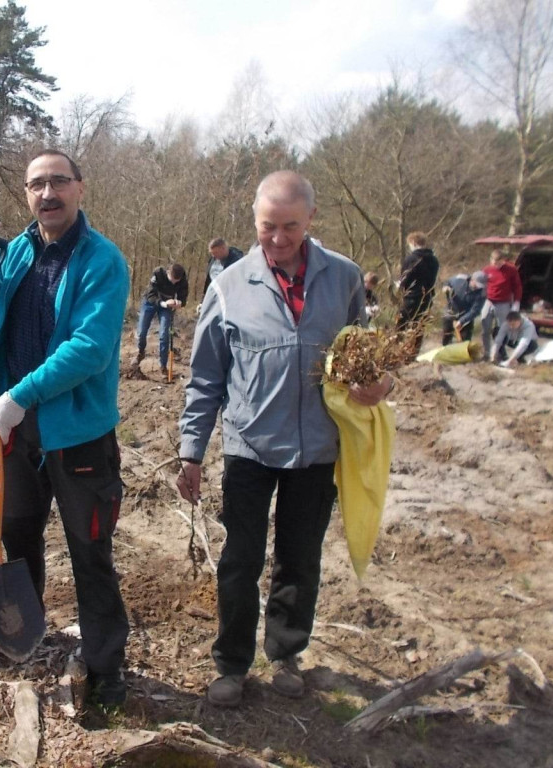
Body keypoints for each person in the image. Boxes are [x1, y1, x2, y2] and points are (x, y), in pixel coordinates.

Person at [176, 171, 393, 708]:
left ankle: (286, 653)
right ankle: (231, 664)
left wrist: (381, 383)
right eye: (268, 226)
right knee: (241, 560)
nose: (277, 238)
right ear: (255, 221)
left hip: (319, 449)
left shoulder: (343, 279)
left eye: (290, 226)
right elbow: (205, 379)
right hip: (250, 446)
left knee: (300, 559)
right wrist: (191, 451)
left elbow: (360, 355)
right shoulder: (228, 286)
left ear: (311, 219)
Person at [0, 149, 131, 710]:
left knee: (90, 552)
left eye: (59, 181)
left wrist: (20, 395)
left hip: (77, 434)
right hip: (15, 432)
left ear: (80, 187)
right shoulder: (15, 254)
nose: (48, 193)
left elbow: (90, 348)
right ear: (25, 193)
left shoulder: (102, 260)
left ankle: (106, 672)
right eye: (37, 184)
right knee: (19, 539)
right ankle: (24, 640)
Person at [136, 263, 188, 375]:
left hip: (167, 305)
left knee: (164, 334)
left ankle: (163, 366)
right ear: (168, 272)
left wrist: (179, 303)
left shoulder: (182, 278)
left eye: (176, 281)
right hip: (151, 302)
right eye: (172, 280)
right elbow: (150, 294)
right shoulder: (158, 273)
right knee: (142, 331)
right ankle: (140, 352)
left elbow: (183, 297)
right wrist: (163, 303)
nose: (174, 283)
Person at [396, 231, 439, 351]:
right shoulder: (434, 260)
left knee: (401, 323)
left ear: (413, 243)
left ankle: (396, 349)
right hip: (427, 297)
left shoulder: (412, 259)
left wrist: (400, 288)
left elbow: (405, 277)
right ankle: (414, 352)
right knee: (419, 326)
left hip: (412, 296)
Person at [481, 249, 523, 359]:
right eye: (494, 262)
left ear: (503, 261)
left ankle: (499, 351)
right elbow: (481, 284)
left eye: (498, 263)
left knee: (502, 328)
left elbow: (517, 286)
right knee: (485, 326)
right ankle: (486, 352)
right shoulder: (486, 270)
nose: (496, 265)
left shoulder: (511, 270)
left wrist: (516, 302)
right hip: (489, 301)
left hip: (503, 303)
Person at [440, 271, 488, 345]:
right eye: (477, 284)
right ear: (472, 280)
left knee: (465, 342)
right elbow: (448, 282)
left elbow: (475, 311)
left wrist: (462, 321)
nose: (478, 287)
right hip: (450, 311)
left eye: (480, 286)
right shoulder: (459, 279)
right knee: (446, 336)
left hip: (466, 316)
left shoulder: (482, 293)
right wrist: (446, 287)